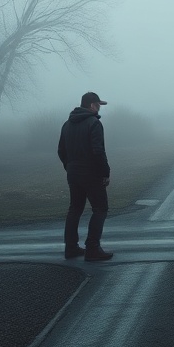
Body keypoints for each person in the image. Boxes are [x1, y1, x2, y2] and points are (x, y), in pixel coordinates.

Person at [57, 91, 114, 261]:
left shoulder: (67, 124)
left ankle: (71, 247)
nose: (98, 108)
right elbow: (98, 151)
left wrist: (69, 166)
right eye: (97, 105)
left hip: (73, 173)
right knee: (100, 209)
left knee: (75, 209)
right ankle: (92, 249)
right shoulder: (93, 123)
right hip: (91, 174)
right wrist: (105, 172)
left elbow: (61, 151)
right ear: (91, 105)